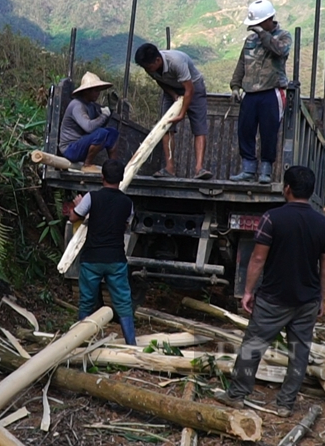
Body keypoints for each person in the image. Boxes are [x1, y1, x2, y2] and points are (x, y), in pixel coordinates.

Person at [214, 166, 325, 417]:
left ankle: (237, 395)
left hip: (273, 299)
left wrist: (247, 291)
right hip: (307, 301)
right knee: (298, 353)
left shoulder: (272, 218)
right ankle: (285, 404)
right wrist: (320, 298)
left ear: (287, 189)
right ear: (311, 192)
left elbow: (258, 259)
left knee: (253, 347)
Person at [69, 159, 137, 345]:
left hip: (92, 259)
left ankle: (80, 342)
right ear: (121, 178)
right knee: (123, 303)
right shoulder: (127, 203)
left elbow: (74, 216)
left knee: (86, 302)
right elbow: (125, 225)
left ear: (102, 177)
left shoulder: (92, 197)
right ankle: (132, 344)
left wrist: (78, 203)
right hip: (116, 259)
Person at [229, 0, 292, 184]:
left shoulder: (283, 36)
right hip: (250, 92)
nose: (254, 26)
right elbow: (242, 62)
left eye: (257, 23)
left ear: (268, 19)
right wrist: (235, 85)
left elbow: (279, 51)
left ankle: (265, 171)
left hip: (272, 91)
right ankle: (248, 170)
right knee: (245, 130)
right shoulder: (250, 40)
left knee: (269, 132)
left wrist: (263, 34)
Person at [133, 43, 212, 180]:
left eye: (149, 66)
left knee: (199, 128)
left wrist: (181, 113)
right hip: (171, 88)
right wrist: (173, 94)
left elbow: (189, 90)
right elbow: (159, 81)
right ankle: (169, 168)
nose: (147, 69)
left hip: (193, 86)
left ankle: (199, 169)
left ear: (157, 60)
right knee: (166, 126)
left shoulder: (176, 62)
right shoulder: (149, 67)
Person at [59, 72, 118, 173]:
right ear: (86, 91)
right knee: (101, 133)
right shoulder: (77, 105)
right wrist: (104, 115)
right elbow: (89, 128)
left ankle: (113, 166)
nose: (98, 93)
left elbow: (100, 126)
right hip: (70, 149)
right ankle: (87, 164)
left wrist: (110, 111)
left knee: (112, 132)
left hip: (81, 145)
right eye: (95, 90)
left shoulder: (91, 106)